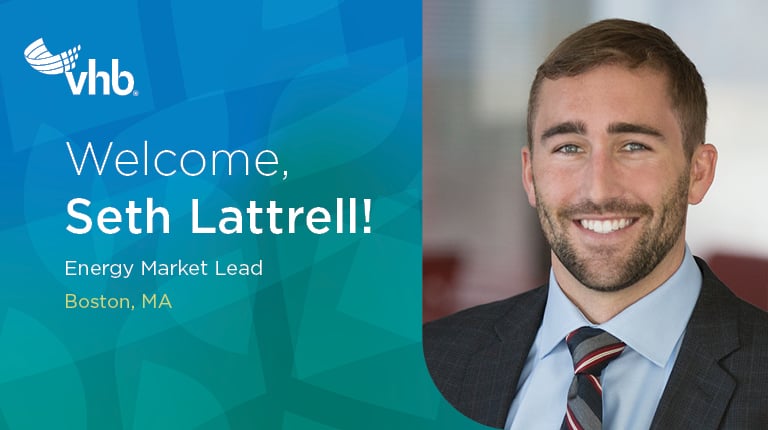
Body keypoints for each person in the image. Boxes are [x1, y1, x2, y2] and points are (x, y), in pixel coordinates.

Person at [423, 18, 768, 430]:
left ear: (698, 171)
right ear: (530, 175)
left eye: (634, 146)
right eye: (569, 147)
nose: (599, 188)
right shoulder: (431, 361)